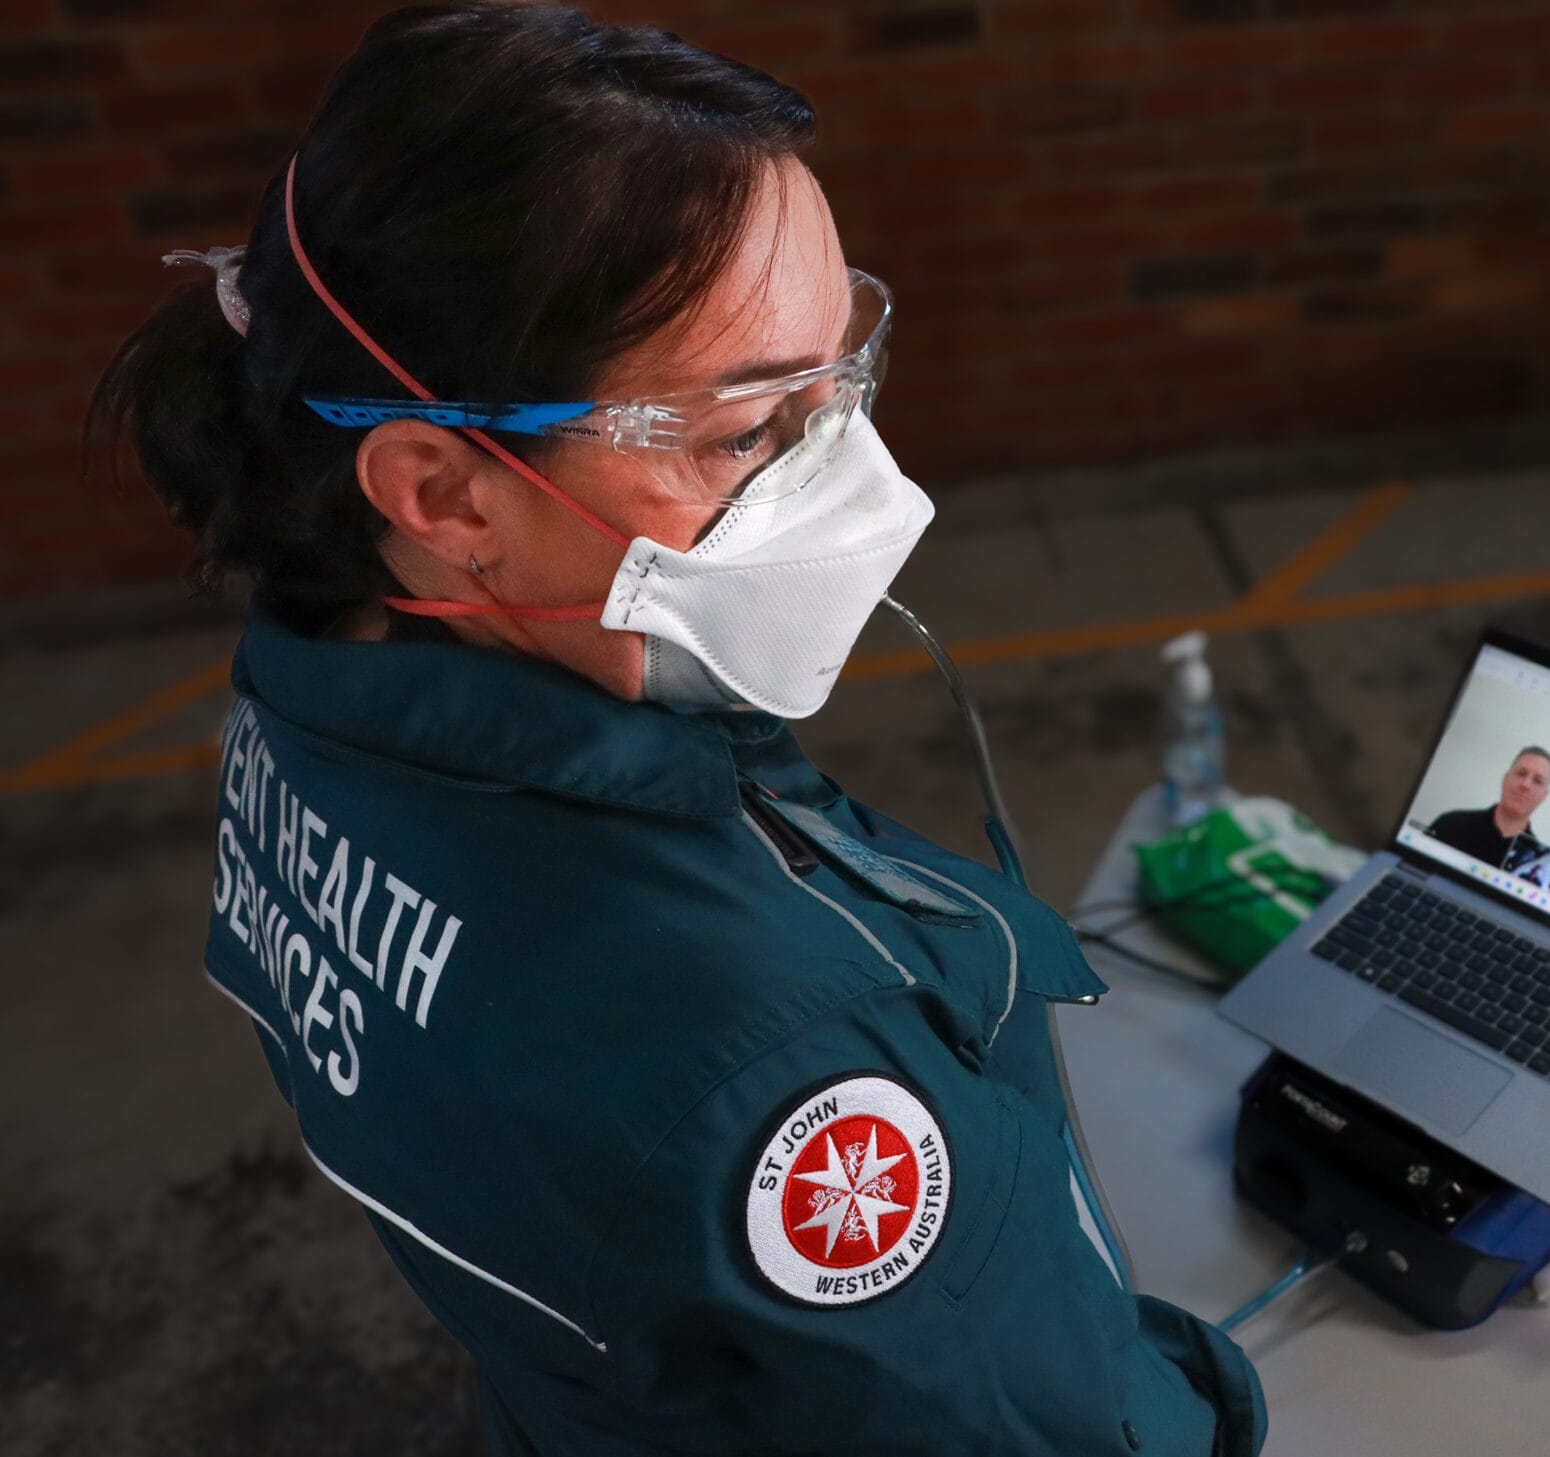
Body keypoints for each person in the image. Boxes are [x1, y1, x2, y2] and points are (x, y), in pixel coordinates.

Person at [90, 7, 1265, 1455]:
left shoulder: (313, 682)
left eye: (842, 374)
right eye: (745, 434)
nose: (854, 481)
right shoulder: (781, 1051)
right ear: (447, 495)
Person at [1422, 746, 1550, 872]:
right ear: (1505, 779)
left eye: (1537, 781)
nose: (1525, 785)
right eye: (1521, 773)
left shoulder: (1536, 861)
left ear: (1544, 796)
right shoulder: (1450, 824)